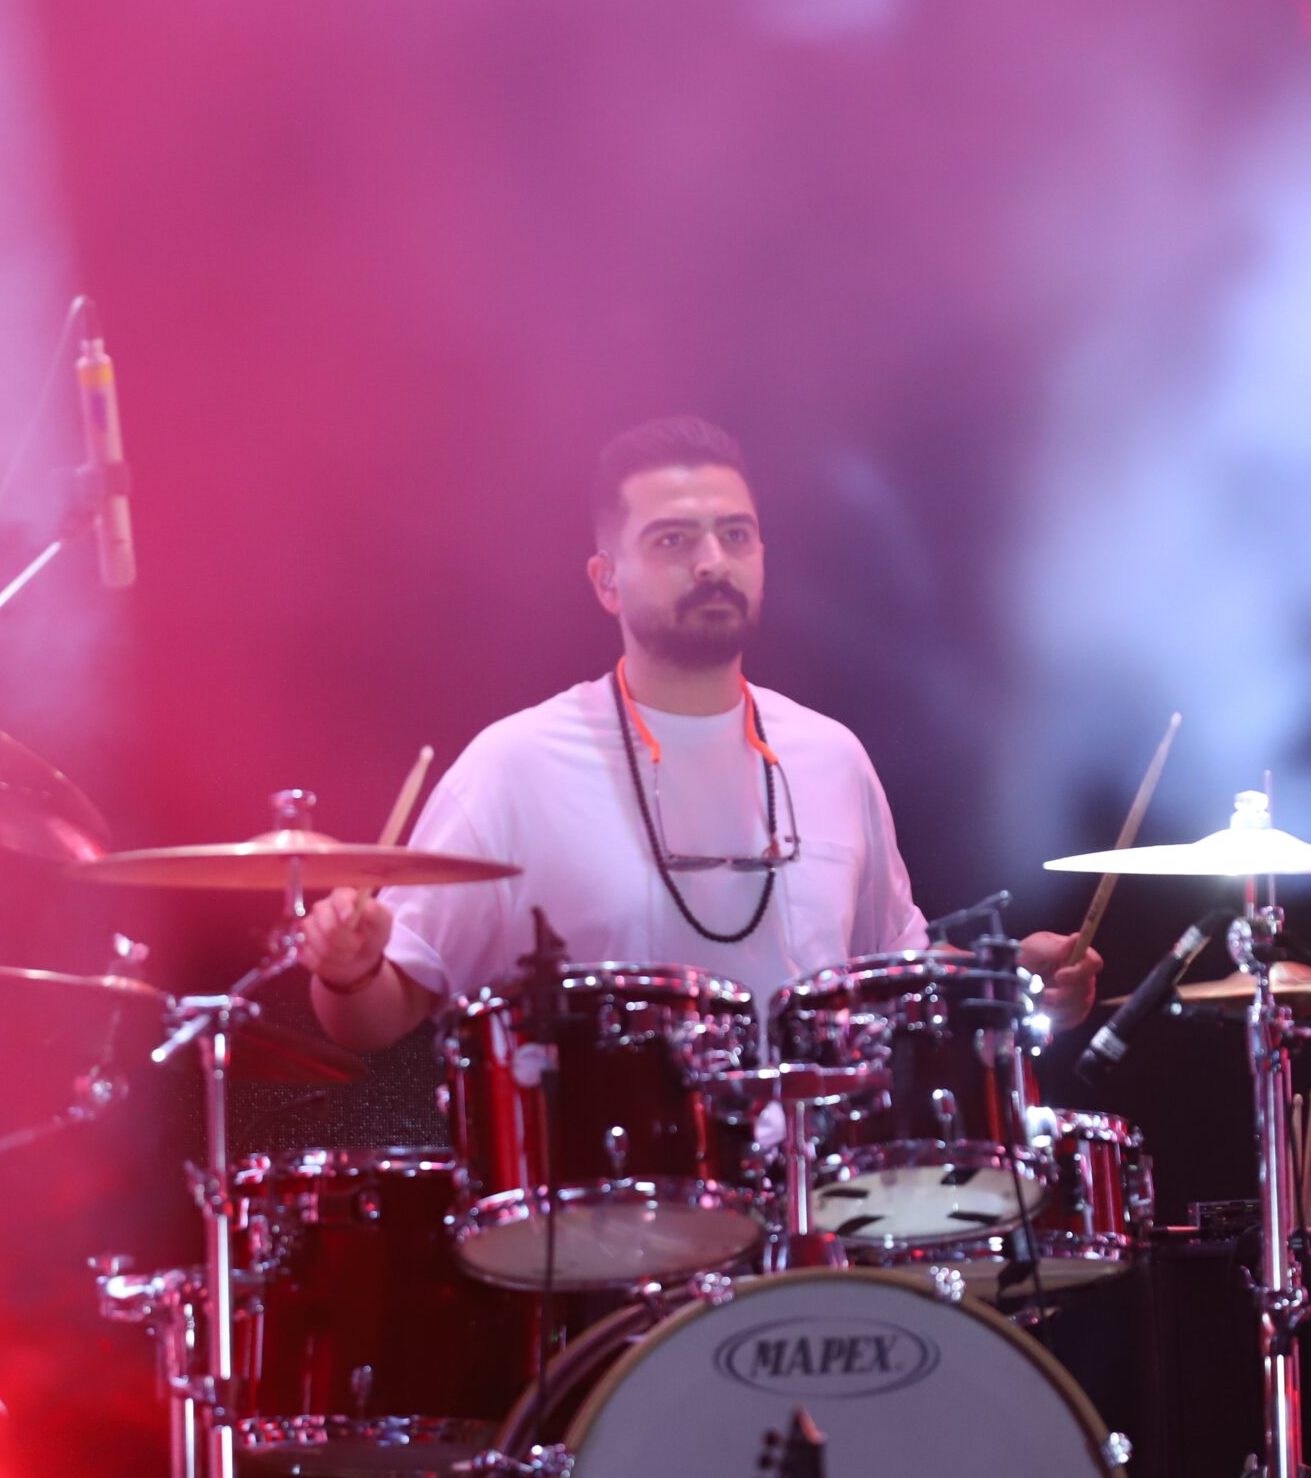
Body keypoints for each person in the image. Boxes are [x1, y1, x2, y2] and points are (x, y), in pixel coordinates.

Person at [299, 415, 1099, 1046]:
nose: (713, 561)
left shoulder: (832, 757)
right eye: (674, 539)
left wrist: (1008, 978)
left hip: (815, 1195)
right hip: (610, 1201)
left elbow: (896, 973)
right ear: (606, 580)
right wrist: (347, 971)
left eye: (735, 534)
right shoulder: (514, 767)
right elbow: (375, 1016)